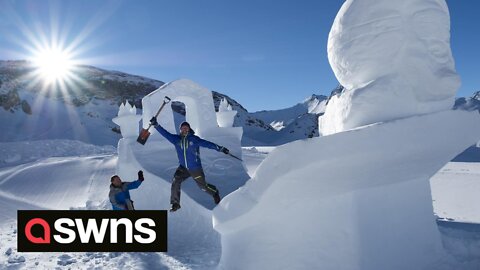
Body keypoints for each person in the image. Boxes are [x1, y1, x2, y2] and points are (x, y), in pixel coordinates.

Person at [150, 117, 230, 212]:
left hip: (195, 169)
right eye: (182, 128)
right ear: (180, 130)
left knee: (203, 187)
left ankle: (214, 192)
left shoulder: (194, 139)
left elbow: (207, 144)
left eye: (186, 128)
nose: (184, 129)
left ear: (189, 129)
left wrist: (220, 148)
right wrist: (156, 125)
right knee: (175, 181)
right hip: (183, 168)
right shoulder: (176, 139)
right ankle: (175, 203)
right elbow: (165, 134)